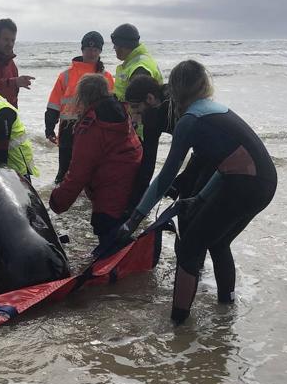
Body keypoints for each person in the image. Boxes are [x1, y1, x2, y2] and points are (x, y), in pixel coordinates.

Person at [115, 60, 277, 324]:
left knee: (190, 245)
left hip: (245, 185)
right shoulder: (213, 109)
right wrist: (200, 198)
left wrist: (134, 219)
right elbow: (228, 164)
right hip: (264, 183)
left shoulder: (189, 121)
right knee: (218, 241)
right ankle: (227, 307)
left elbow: (166, 176)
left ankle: (178, 325)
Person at [49, 73, 142, 243]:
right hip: (133, 194)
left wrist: (57, 201)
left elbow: (79, 173)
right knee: (122, 247)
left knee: (108, 253)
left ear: (82, 97)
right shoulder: (121, 113)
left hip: (110, 200)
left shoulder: (92, 126)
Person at [45, 31, 115, 183]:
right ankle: (58, 203)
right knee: (64, 172)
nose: (91, 52)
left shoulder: (106, 76)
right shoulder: (65, 75)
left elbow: (112, 107)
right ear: (82, 50)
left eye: (95, 49)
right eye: (88, 49)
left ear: (100, 51)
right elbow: (53, 103)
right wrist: (49, 127)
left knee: (93, 172)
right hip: (68, 130)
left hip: (95, 130)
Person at [124, 73, 173, 203]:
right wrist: (134, 205)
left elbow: (175, 158)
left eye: (135, 107)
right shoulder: (151, 115)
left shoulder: (175, 107)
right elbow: (148, 162)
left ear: (150, 98)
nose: (134, 116)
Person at [110, 23, 163, 101]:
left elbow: (139, 105)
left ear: (123, 46)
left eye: (115, 44)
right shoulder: (134, 62)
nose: (114, 48)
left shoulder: (139, 69)